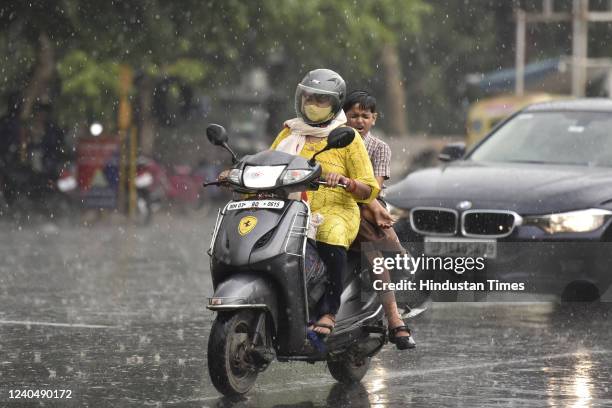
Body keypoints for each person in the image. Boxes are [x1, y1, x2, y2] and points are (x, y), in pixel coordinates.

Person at [270, 69, 380, 336]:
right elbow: (268, 162)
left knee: (330, 231)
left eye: (322, 101)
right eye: (309, 98)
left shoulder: (348, 137)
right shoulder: (289, 133)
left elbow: (369, 187)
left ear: (334, 105)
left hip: (336, 209)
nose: (314, 105)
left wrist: (345, 181)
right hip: (290, 208)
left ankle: (329, 310)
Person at [343, 90, 416, 350]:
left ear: (374, 118)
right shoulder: (333, 141)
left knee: (373, 253)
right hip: (335, 203)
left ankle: (394, 317)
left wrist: (355, 192)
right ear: (344, 117)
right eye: (353, 116)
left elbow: (373, 188)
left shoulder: (379, 148)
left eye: (365, 116)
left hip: (369, 206)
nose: (359, 121)